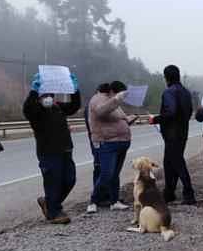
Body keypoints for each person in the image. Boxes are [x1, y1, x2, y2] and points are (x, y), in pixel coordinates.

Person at [24, 72, 82, 224]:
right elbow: (28, 109)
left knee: (70, 179)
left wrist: (74, 90)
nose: (48, 97)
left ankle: (49, 203)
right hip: (48, 152)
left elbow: (74, 106)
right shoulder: (35, 111)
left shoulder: (58, 107)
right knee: (53, 181)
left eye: (50, 94)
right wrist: (34, 90)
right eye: (44, 94)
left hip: (65, 149)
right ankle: (54, 212)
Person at [87, 81, 137, 213]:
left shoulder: (114, 102)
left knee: (115, 174)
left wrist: (128, 119)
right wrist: (116, 99)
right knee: (106, 174)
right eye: (120, 94)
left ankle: (114, 201)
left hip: (122, 142)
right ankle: (93, 200)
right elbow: (101, 111)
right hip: (107, 142)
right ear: (112, 91)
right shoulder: (98, 99)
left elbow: (118, 118)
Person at [150, 65, 196, 205]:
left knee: (177, 163)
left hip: (172, 134)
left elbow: (171, 112)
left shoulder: (169, 92)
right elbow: (188, 112)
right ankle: (169, 193)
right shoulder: (186, 92)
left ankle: (189, 194)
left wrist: (156, 119)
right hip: (182, 131)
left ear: (166, 77)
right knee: (169, 163)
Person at [84, 90, 108, 207]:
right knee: (100, 169)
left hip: (102, 141)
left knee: (105, 169)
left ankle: (105, 195)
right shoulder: (92, 106)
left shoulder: (99, 105)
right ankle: (97, 197)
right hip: (97, 142)